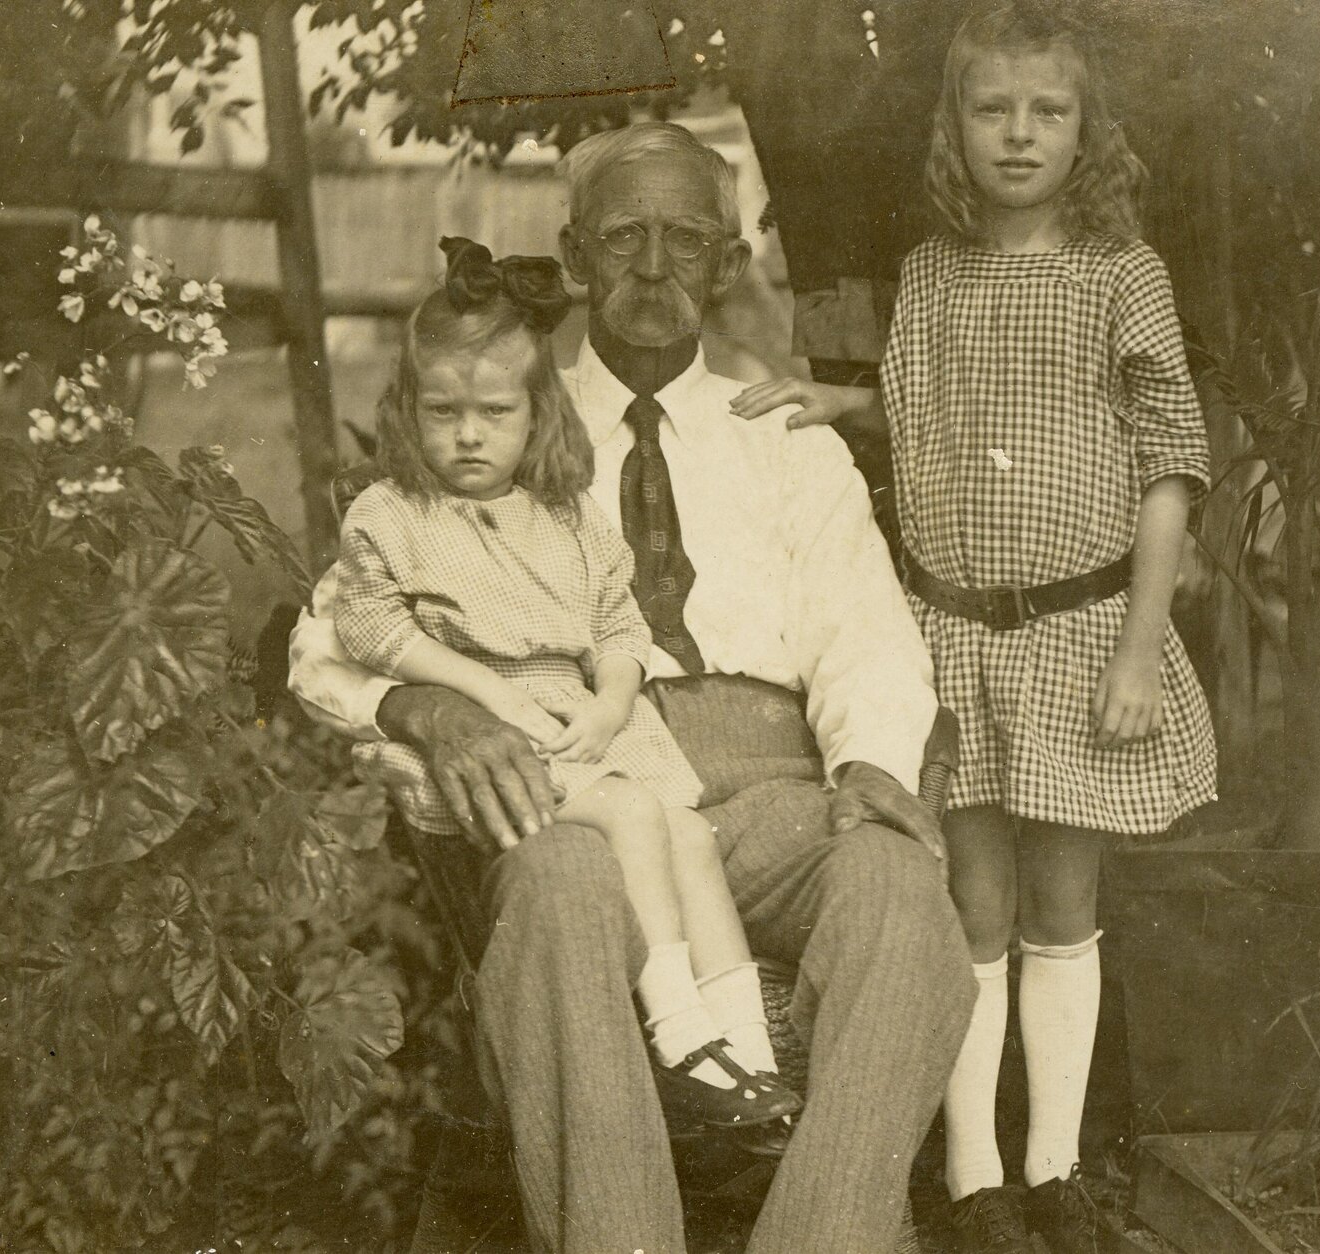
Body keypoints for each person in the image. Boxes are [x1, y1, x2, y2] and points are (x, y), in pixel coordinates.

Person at [290, 122, 976, 1254]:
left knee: (900, 896)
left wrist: (865, 771)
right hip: (579, 785)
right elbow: (328, 634)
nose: (653, 270)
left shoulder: (784, 442)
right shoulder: (498, 414)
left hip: (771, 791)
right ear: (572, 256)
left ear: (724, 264)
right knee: (558, 884)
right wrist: (429, 708)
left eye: (684, 240)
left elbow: (866, 639)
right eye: (622, 239)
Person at [732, 4, 1218, 1250]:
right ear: (954, 126)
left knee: (1062, 906)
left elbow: (1167, 466)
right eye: (990, 110)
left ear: (1083, 130)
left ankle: (1052, 1171)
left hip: (1076, 634)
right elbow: (939, 422)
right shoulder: (935, 275)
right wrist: (834, 398)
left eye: (1045, 112)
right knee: (968, 908)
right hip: (951, 638)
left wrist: (1133, 646)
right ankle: (973, 1179)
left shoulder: (1121, 275)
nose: (1017, 135)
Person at [331, 237, 800, 1132]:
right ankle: (683, 1038)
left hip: (583, 727)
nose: (468, 436)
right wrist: (479, 689)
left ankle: (749, 1053)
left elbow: (622, 625)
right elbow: (369, 626)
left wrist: (613, 701)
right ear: (407, 408)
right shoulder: (393, 514)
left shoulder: (565, 514)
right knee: (631, 816)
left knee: (689, 839)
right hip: (491, 740)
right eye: (442, 412)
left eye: (494, 412)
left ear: (537, 410)